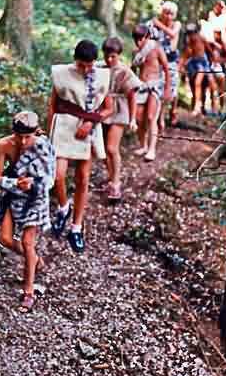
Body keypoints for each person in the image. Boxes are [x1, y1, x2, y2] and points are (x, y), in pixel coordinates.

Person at [48, 40, 113, 253]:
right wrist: (48, 135)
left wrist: (91, 121)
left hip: (87, 129)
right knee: (58, 174)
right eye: (81, 65)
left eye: (89, 65)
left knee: (83, 178)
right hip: (64, 126)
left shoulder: (101, 75)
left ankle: (76, 227)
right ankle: (64, 207)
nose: (86, 69)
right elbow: (53, 105)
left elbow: (108, 109)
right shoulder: (61, 73)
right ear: (75, 59)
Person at [0, 111, 56, 312]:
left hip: (35, 197)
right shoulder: (4, 145)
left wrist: (32, 185)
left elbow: (50, 180)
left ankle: (28, 292)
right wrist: (14, 184)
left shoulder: (43, 147)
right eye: (19, 136)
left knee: (28, 242)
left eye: (27, 136)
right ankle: (35, 260)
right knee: (4, 238)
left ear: (36, 133)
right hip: (13, 195)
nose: (23, 141)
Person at [100, 37, 141, 200]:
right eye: (107, 56)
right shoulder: (99, 67)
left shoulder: (124, 72)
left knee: (111, 148)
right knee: (103, 150)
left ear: (118, 55)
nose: (109, 60)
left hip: (119, 112)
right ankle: (110, 177)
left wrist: (133, 119)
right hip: (102, 110)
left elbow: (132, 97)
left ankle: (116, 183)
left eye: (113, 57)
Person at [132, 24, 171, 162]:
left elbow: (166, 69)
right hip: (141, 86)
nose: (138, 42)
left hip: (154, 86)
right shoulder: (135, 52)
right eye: (135, 39)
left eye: (141, 39)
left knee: (150, 117)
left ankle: (151, 149)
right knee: (138, 118)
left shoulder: (156, 48)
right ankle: (143, 145)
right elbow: (133, 71)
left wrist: (167, 88)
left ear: (147, 37)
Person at [147, 1, 182, 128]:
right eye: (166, 13)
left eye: (171, 14)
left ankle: (164, 115)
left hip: (170, 62)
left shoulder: (176, 24)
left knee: (169, 92)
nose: (168, 16)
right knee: (158, 90)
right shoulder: (154, 26)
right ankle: (158, 120)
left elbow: (172, 34)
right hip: (157, 63)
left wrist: (158, 24)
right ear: (162, 13)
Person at [179, 23, 218, 116]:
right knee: (196, 84)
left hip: (203, 63)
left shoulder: (201, 38)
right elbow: (186, 54)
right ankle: (196, 107)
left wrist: (213, 61)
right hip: (194, 63)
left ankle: (214, 108)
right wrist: (181, 67)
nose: (191, 36)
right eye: (189, 34)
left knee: (212, 85)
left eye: (192, 33)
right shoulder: (189, 42)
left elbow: (210, 51)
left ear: (196, 32)